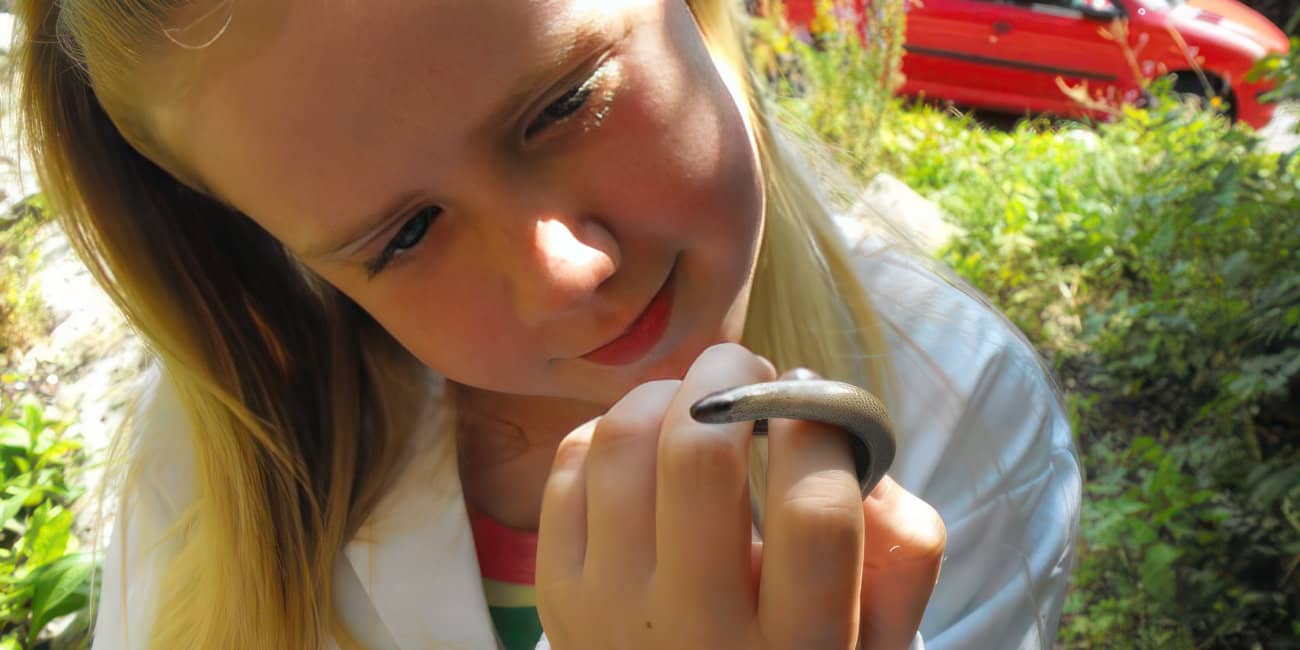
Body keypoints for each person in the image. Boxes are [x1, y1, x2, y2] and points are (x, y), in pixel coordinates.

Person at [12, 0, 1081, 648]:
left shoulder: (955, 403)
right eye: (404, 233)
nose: (566, 275)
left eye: (565, 104)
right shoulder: (218, 466)